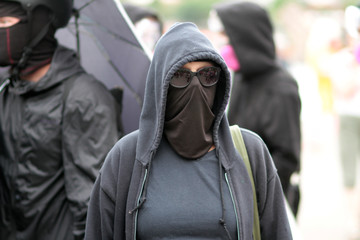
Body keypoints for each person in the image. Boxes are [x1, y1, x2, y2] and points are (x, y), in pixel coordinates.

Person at [84, 22, 292, 240]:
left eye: (208, 75)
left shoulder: (249, 152)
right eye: (180, 76)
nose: (195, 87)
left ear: (219, 83)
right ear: (161, 84)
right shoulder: (127, 157)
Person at [0, 1, 122, 239]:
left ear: (38, 23)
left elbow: (93, 204)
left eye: (4, 22)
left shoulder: (84, 97)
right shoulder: (7, 90)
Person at [211, 1, 302, 216]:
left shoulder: (281, 87)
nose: (224, 43)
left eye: (227, 35)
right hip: (234, 200)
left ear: (245, 37)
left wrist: (249, 190)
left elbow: (287, 158)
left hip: (265, 206)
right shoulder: (240, 78)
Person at [327, 5, 360, 238]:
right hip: (349, 119)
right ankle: (355, 221)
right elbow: (344, 89)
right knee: (349, 174)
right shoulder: (340, 60)